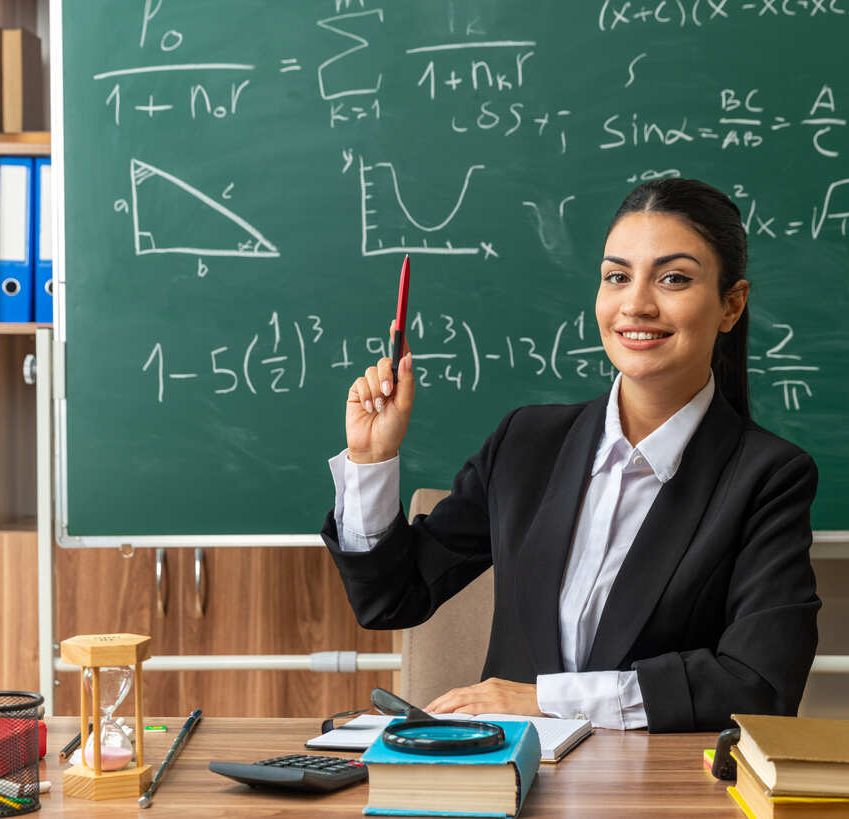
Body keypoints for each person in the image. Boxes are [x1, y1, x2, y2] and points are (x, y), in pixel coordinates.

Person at [321, 178, 820, 733]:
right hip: (510, 780)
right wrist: (370, 459)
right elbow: (392, 600)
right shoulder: (527, 441)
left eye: (674, 278)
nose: (636, 303)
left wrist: (550, 700)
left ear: (731, 305)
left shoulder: (768, 477)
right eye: (617, 277)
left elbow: (759, 684)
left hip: (659, 790)